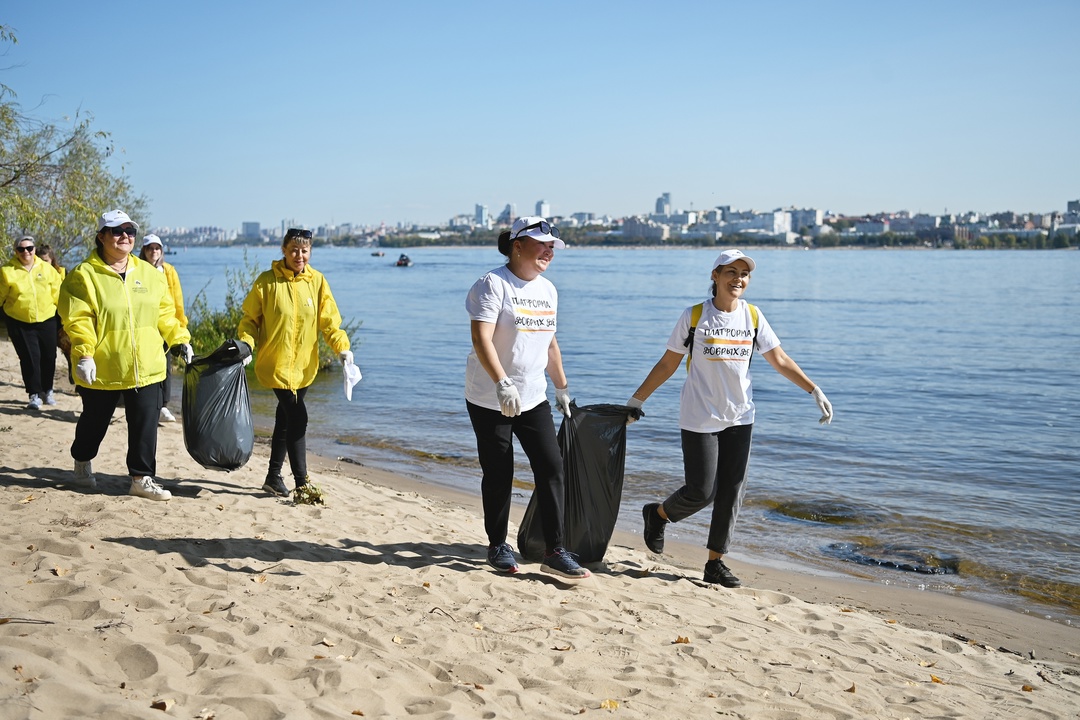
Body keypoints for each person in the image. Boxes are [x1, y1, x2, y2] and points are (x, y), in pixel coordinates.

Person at [626, 249, 833, 588]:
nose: (738, 278)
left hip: (740, 416)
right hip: (699, 416)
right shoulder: (694, 317)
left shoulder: (752, 316)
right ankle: (658, 514)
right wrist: (636, 401)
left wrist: (814, 390)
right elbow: (668, 363)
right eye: (731, 272)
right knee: (701, 491)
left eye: (744, 274)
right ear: (715, 276)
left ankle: (714, 563)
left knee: (732, 491)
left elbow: (778, 358)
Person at [464, 216, 590, 581]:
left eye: (552, 247)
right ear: (517, 245)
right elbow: (481, 339)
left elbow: (550, 343)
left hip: (533, 396)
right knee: (500, 471)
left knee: (552, 468)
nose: (548, 252)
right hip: (490, 396)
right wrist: (502, 382)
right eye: (542, 245)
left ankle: (555, 550)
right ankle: (497, 545)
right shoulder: (493, 284)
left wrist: (562, 388)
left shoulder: (548, 290)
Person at [58, 210, 193, 499]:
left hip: (147, 366)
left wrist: (179, 339)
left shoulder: (149, 274)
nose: (125, 236)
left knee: (145, 424)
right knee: (93, 424)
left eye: (130, 231)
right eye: (116, 231)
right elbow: (77, 320)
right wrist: (84, 355)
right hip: (103, 366)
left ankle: (141, 478)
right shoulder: (84, 275)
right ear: (101, 236)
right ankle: (82, 461)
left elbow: (165, 313)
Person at [237, 228, 352, 498]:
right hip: (276, 365)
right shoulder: (267, 282)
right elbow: (249, 320)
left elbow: (330, 322)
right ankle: (302, 483)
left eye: (304, 251)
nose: (299, 255)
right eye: (293, 250)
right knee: (298, 418)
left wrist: (343, 350)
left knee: (285, 419)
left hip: (304, 368)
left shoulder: (318, 281)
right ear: (284, 251)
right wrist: (247, 344)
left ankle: (273, 476)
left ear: (309, 252)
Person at [0, 235, 63, 410]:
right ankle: (34, 394)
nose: (26, 252)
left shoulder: (46, 268)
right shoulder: (7, 271)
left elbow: (57, 292)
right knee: (30, 358)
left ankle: (47, 390)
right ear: (16, 251)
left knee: (49, 356)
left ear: (34, 249)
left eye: (29, 248)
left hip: (47, 318)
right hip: (20, 321)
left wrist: (65, 315)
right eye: (21, 249)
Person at [139, 234, 189, 423]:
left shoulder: (168, 271)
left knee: (165, 366)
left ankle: (164, 405)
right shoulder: (138, 269)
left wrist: (181, 325)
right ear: (144, 250)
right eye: (150, 248)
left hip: (166, 326)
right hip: (146, 326)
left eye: (157, 248)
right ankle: (150, 404)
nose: (154, 252)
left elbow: (177, 300)